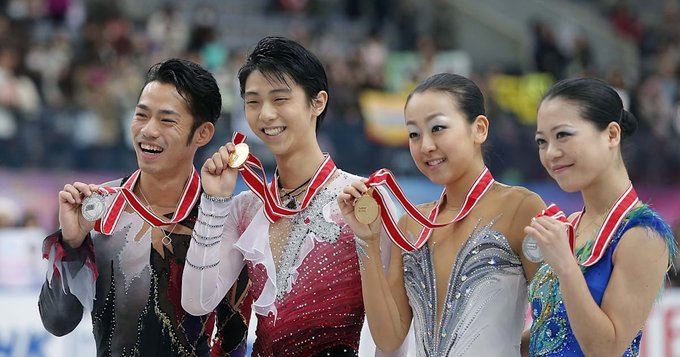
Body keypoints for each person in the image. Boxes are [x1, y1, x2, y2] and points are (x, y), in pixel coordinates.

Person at [181, 36, 398, 356]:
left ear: (318, 102)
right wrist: (215, 201)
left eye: (280, 99)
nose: (265, 114)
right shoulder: (246, 208)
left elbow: (391, 339)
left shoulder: (362, 199)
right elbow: (197, 301)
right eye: (253, 101)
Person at [38, 58, 251, 356]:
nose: (148, 131)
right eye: (141, 115)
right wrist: (72, 243)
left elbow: (233, 340)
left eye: (166, 120)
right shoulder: (99, 208)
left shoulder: (220, 217)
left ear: (202, 133)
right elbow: (57, 322)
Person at [337, 73, 546, 356]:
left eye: (438, 128)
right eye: (414, 134)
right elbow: (388, 338)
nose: (426, 146)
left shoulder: (521, 208)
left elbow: (555, 319)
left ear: (479, 129)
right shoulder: (410, 226)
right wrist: (367, 241)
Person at [524, 77, 676, 356]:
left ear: (611, 135)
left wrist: (566, 267)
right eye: (541, 141)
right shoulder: (570, 225)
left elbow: (605, 350)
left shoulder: (642, 234)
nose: (551, 153)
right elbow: (549, 337)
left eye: (563, 135)